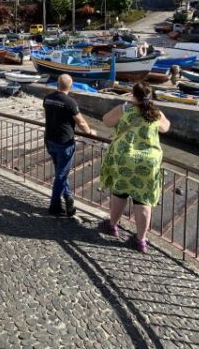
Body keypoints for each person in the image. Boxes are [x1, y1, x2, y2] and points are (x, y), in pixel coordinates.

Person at [99, 82, 171, 252]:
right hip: (148, 161)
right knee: (143, 200)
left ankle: (112, 225)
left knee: (120, 192)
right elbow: (166, 127)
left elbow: (106, 121)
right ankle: (141, 240)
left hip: (125, 158)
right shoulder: (155, 113)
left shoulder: (125, 109)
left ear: (133, 94)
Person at [43, 74, 96, 217]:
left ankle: (68, 198)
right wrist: (90, 132)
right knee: (61, 174)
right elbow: (81, 122)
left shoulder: (47, 99)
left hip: (49, 139)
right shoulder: (70, 102)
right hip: (64, 143)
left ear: (57, 84)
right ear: (70, 86)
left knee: (60, 171)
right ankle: (54, 205)